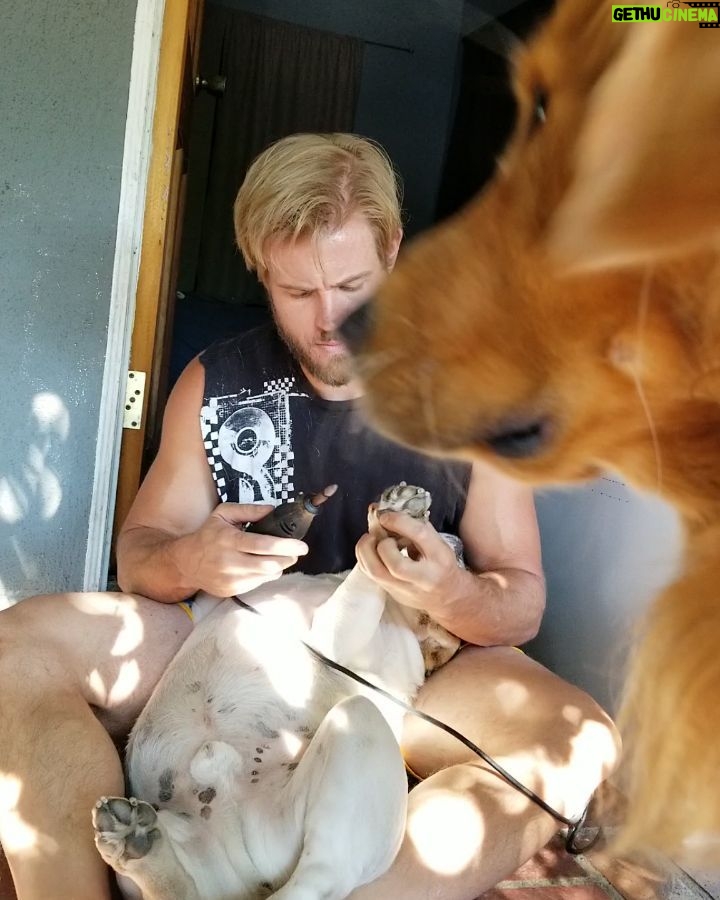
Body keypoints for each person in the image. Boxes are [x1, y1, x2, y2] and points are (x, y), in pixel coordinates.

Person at [0, 133, 620, 900]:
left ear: (392, 249)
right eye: (297, 294)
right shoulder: (216, 381)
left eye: (352, 284)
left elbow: (519, 597)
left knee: (576, 736)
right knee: (16, 644)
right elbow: (140, 555)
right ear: (261, 270)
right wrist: (193, 559)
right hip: (221, 639)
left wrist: (450, 593)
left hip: (414, 664)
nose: (330, 321)